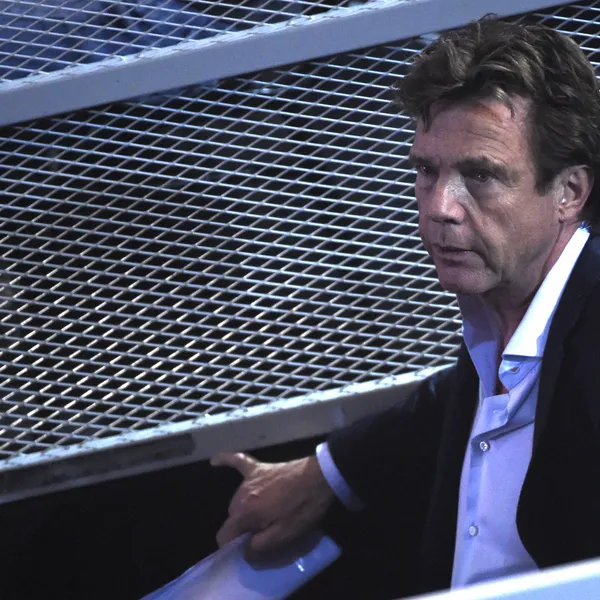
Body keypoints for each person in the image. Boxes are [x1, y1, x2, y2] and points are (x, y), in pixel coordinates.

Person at [211, 18, 600, 597]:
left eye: (480, 175)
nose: (440, 206)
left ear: (569, 192)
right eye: (426, 170)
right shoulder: (501, 324)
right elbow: (442, 404)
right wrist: (327, 472)